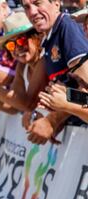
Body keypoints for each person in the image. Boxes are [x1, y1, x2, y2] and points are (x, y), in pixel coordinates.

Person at [21, 0, 88, 144]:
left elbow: (85, 94)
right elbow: (74, 93)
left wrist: (53, 118)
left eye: (37, 3)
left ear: (57, 3)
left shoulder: (67, 28)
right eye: (26, 7)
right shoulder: (50, 36)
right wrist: (46, 110)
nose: (32, 11)